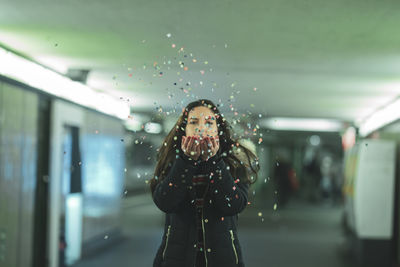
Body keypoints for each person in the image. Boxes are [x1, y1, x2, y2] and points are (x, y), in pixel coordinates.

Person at [150, 99, 259, 267]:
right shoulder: (172, 160)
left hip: (222, 259)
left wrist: (214, 161)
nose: (201, 128)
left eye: (209, 122)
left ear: (218, 130)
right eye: (193, 122)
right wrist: (186, 161)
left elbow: (234, 205)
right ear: (184, 129)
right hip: (177, 259)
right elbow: (165, 202)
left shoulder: (235, 162)